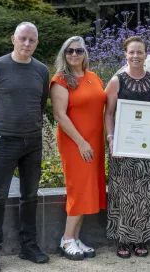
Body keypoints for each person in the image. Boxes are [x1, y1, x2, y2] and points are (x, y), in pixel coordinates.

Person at [0, 22, 50, 272]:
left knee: (30, 196)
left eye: (32, 40)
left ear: (36, 42)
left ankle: (28, 246)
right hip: (4, 142)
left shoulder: (41, 70)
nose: (27, 44)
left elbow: (41, 103)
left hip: (32, 142)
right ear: (13, 39)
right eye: (22, 38)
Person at [105, 36, 150, 258]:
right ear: (125, 54)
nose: (135, 56)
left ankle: (142, 238)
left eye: (140, 52)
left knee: (146, 192)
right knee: (123, 193)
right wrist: (111, 139)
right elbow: (109, 114)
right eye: (131, 52)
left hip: (146, 147)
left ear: (146, 55)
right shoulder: (116, 81)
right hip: (122, 146)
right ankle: (122, 238)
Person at [50, 36, 107, 260]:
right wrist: (81, 142)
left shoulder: (93, 77)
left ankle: (75, 238)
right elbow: (59, 116)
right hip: (76, 144)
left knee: (87, 189)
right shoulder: (60, 80)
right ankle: (66, 239)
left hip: (94, 144)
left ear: (85, 54)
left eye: (79, 51)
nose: (74, 54)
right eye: (69, 51)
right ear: (64, 54)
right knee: (78, 189)